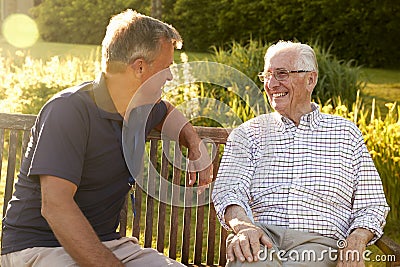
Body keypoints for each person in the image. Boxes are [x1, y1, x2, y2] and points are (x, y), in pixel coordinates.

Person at [1, 9, 212, 267]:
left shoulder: (139, 107)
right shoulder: (68, 110)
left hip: (107, 244)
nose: (170, 76)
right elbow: (55, 206)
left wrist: (194, 143)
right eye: (166, 67)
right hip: (39, 247)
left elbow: (166, 111)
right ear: (140, 67)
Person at [212, 41, 389, 267]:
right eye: (267, 75)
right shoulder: (248, 133)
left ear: (310, 79)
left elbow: (372, 203)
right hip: (261, 238)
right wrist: (244, 227)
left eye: (282, 74)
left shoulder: (345, 133)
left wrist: (357, 239)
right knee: (248, 261)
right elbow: (229, 191)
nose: (271, 84)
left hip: (321, 244)